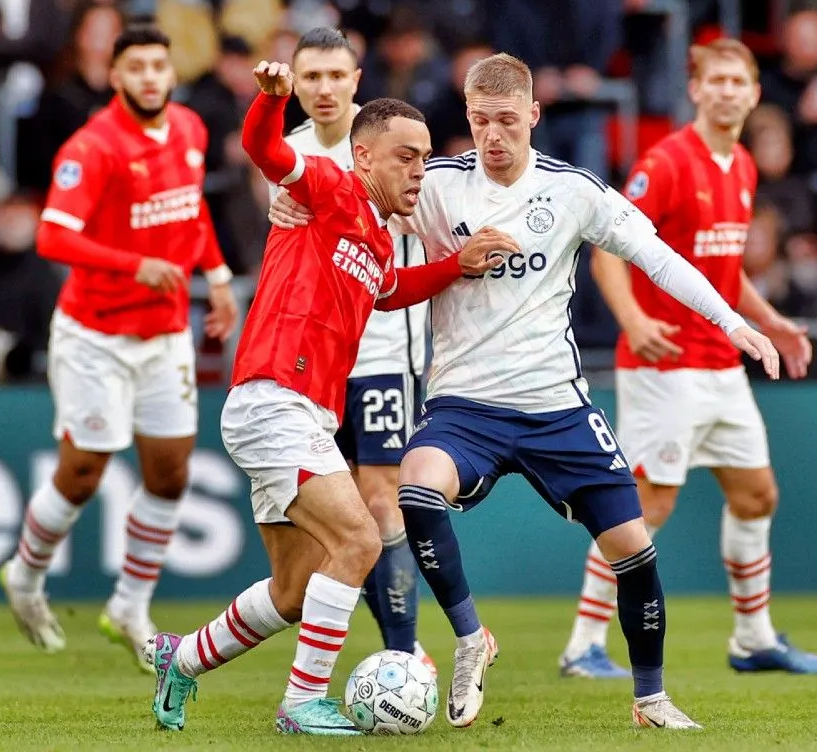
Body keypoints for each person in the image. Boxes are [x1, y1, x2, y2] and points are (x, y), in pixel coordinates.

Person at [269, 51, 781, 731]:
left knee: (632, 546)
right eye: (481, 121)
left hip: (555, 406)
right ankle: (471, 638)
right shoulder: (437, 185)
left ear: (534, 115)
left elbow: (656, 255)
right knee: (415, 489)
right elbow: (354, 191)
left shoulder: (573, 191)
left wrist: (732, 321)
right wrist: (291, 198)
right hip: (463, 408)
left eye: (507, 120)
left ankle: (651, 698)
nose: (494, 137)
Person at [147, 62, 520, 736]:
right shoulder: (327, 187)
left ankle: (184, 661)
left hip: (304, 409)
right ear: (363, 155)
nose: (418, 171)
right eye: (406, 157)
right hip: (273, 397)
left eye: (426, 159)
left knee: (293, 591)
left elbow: (387, 291)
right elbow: (265, 150)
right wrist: (271, 100)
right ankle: (302, 702)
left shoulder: (377, 237)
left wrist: (452, 268)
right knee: (358, 537)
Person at [560, 39, 817, 680]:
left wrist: (770, 324)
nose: (728, 91)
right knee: (644, 505)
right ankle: (583, 646)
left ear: (755, 92)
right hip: (666, 366)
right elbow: (608, 250)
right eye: (717, 80)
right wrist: (633, 319)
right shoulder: (668, 162)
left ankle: (753, 639)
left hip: (719, 365)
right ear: (696, 89)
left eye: (739, 81)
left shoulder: (740, 164)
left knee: (757, 494)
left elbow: (721, 270)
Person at [0, 25, 240, 673]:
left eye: (160, 65)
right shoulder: (93, 146)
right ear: (115, 76)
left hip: (163, 336)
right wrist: (134, 265)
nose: (152, 77)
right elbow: (51, 236)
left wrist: (216, 278)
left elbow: (191, 212)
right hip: (96, 334)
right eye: (137, 67)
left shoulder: (189, 128)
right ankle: (24, 577)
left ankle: (130, 605)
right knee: (84, 470)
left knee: (171, 473)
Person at [281, 27, 435, 672]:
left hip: (379, 355)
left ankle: (403, 653)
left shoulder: (385, 145)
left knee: (379, 501)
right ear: (292, 81)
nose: (323, 88)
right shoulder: (286, 152)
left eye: (335, 76)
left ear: (355, 79)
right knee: (325, 530)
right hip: (311, 361)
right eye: (310, 77)